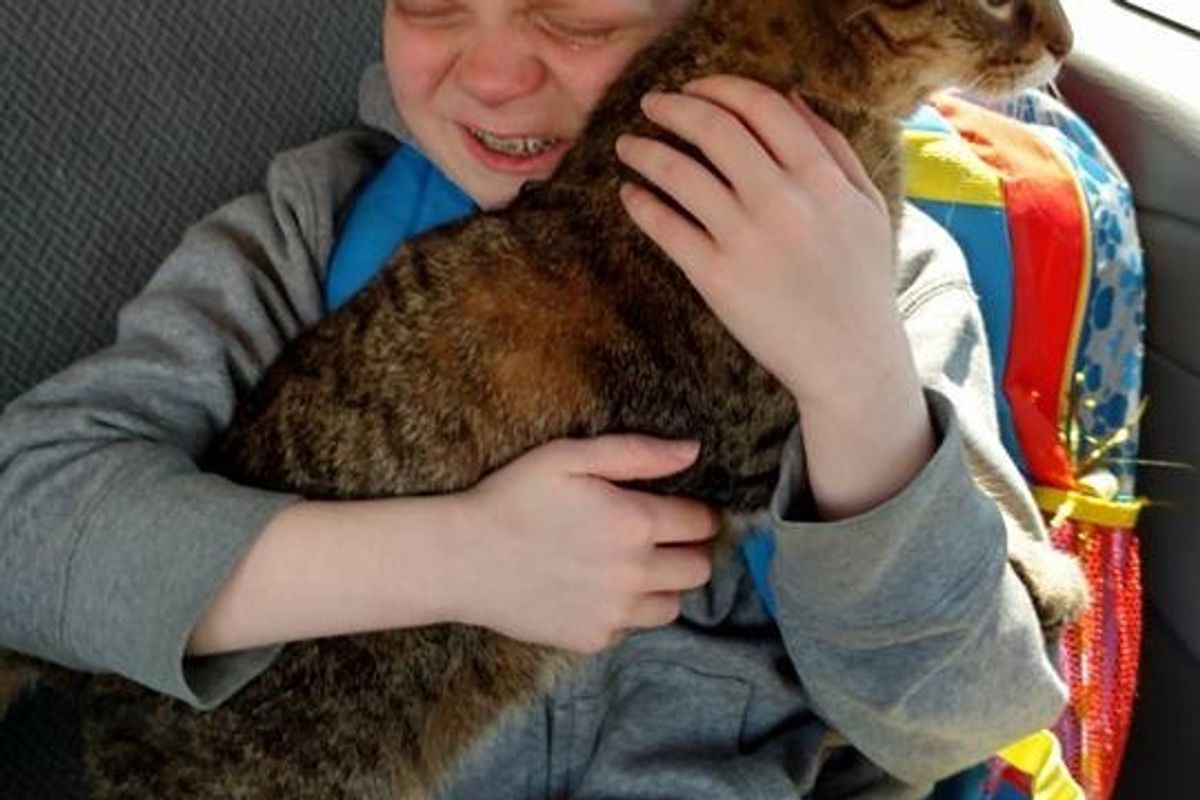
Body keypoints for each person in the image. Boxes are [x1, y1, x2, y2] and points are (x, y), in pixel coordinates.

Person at [0, 0, 1068, 796]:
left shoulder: (889, 277)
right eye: (430, 1)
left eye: (580, 11)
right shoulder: (313, 228)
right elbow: (25, 535)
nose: (497, 72)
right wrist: (458, 555)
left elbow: (957, 715)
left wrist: (854, 383)